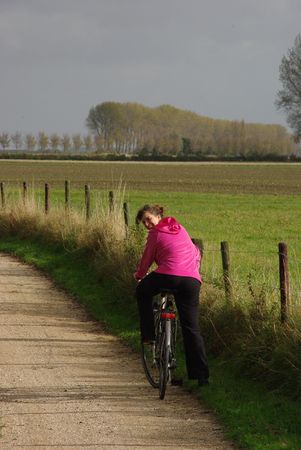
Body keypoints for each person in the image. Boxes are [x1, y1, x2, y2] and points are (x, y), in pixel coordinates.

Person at [134, 204, 209, 386]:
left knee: (142, 291)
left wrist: (139, 276)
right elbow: (195, 252)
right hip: (191, 281)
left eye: (148, 219)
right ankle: (202, 377)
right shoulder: (181, 229)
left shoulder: (155, 234)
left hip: (167, 275)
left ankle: (149, 336)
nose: (146, 224)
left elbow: (147, 259)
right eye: (143, 222)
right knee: (191, 328)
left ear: (158, 216)